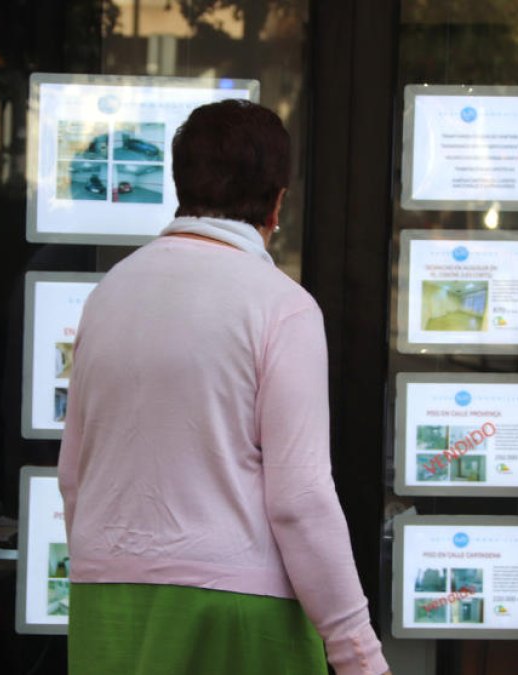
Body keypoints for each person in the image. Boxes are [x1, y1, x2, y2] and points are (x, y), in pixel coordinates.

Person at [58, 99, 390, 675]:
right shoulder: (282, 307)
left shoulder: (108, 295)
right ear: (278, 202)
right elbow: (300, 499)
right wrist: (358, 651)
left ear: (179, 184)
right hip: (238, 607)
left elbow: (73, 473)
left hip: (105, 600)